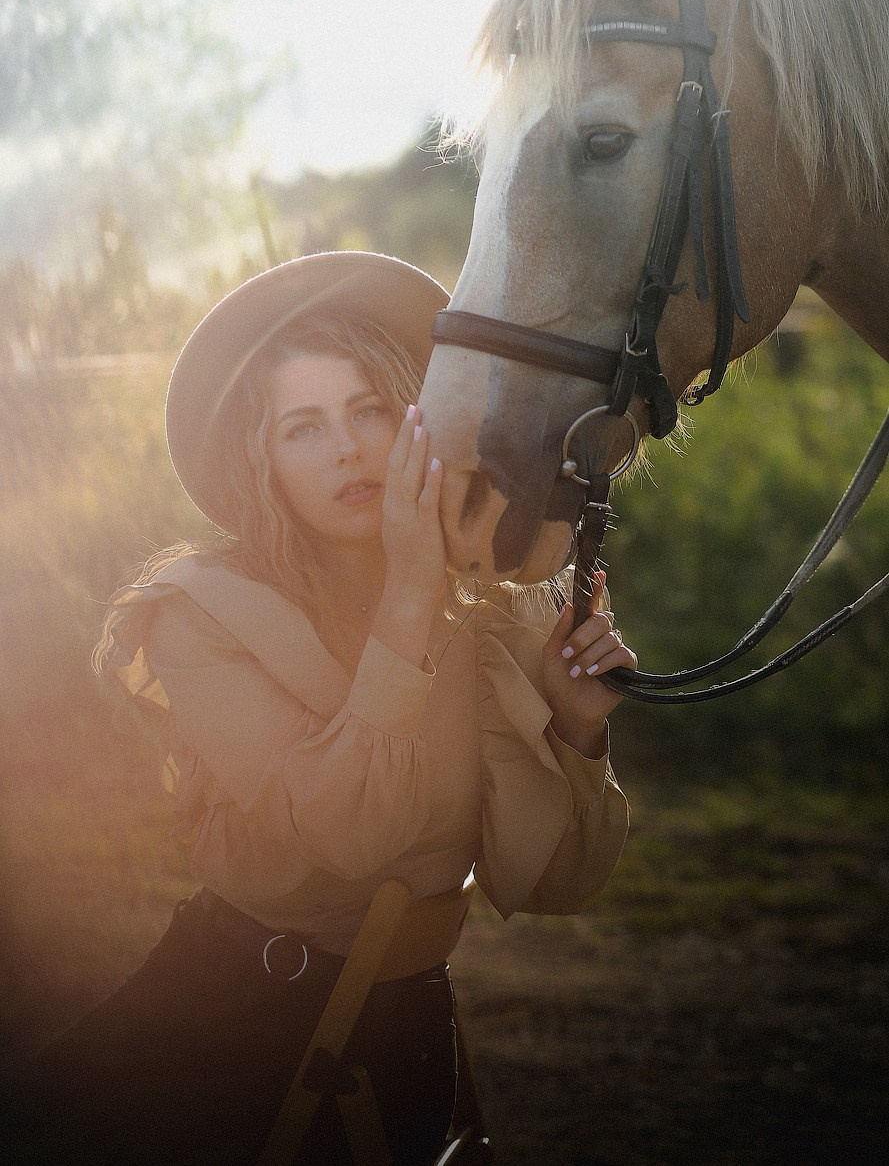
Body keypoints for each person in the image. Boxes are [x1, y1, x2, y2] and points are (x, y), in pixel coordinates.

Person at [19, 251, 635, 1164]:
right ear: (258, 456)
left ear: (418, 421)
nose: (346, 447)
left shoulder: (491, 609)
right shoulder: (200, 610)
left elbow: (554, 882)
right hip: (222, 1033)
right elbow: (350, 834)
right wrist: (405, 600)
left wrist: (581, 726)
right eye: (302, 427)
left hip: (411, 1031)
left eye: (369, 410)